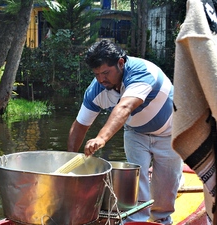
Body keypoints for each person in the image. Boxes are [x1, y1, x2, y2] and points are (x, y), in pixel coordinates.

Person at [67, 39, 183, 224]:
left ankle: (161, 220)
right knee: (136, 179)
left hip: (170, 132)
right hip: (136, 133)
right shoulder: (96, 90)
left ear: (121, 63)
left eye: (106, 72)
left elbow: (125, 107)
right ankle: (135, 221)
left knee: (166, 187)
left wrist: (101, 138)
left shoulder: (142, 72)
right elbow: (80, 124)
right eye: (97, 74)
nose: (101, 79)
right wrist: (69, 160)